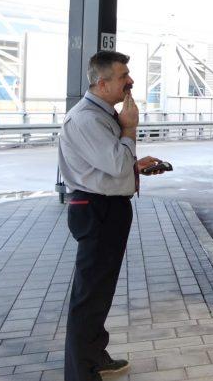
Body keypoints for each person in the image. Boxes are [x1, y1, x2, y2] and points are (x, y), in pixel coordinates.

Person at [59, 51, 166, 381]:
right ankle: (81, 373)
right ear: (102, 83)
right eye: (124, 76)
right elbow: (117, 163)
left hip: (104, 207)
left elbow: (109, 166)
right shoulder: (88, 119)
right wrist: (130, 129)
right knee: (89, 296)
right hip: (97, 210)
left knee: (100, 292)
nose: (131, 81)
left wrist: (135, 166)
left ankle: (94, 355)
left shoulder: (102, 114)